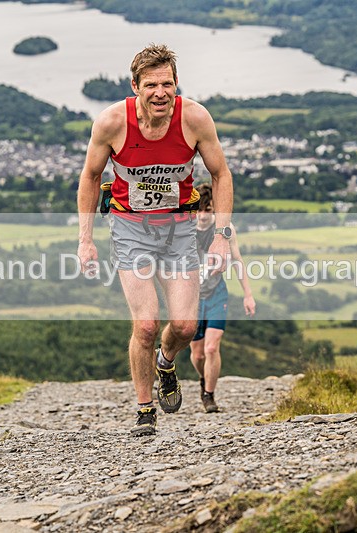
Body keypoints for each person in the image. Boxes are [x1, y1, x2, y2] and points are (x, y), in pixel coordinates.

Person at [76, 44, 234, 437]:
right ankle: (145, 408)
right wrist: (85, 239)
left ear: (176, 84)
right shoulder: (112, 123)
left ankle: (167, 361)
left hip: (179, 229)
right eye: (151, 85)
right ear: (135, 87)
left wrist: (222, 236)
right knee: (145, 324)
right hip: (130, 228)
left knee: (184, 325)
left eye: (167, 83)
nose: (160, 92)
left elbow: (222, 174)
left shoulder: (195, 119)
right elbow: (91, 177)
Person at [190, 183, 255, 413]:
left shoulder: (226, 229)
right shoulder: (184, 229)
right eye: (199, 210)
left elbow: (237, 260)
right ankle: (204, 378)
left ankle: (209, 395)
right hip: (191, 299)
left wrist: (248, 295)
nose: (203, 216)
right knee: (197, 354)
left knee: (211, 348)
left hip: (217, 294)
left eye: (208, 210)